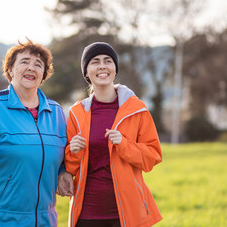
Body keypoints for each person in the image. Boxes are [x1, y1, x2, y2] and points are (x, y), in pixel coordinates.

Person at [0, 39, 73, 227]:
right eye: (24, 62)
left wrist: (63, 172)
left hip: (43, 220)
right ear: (10, 70)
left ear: (44, 74)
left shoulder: (56, 112)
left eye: (38, 64)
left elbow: (61, 156)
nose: (31, 68)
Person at [65, 42, 163, 227]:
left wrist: (124, 145)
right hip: (86, 213)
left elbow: (153, 156)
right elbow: (69, 167)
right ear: (86, 72)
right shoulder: (76, 113)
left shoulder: (137, 110)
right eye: (95, 61)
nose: (102, 65)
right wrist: (74, 151)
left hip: (126, 213)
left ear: (114, 70)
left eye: (107, 61)